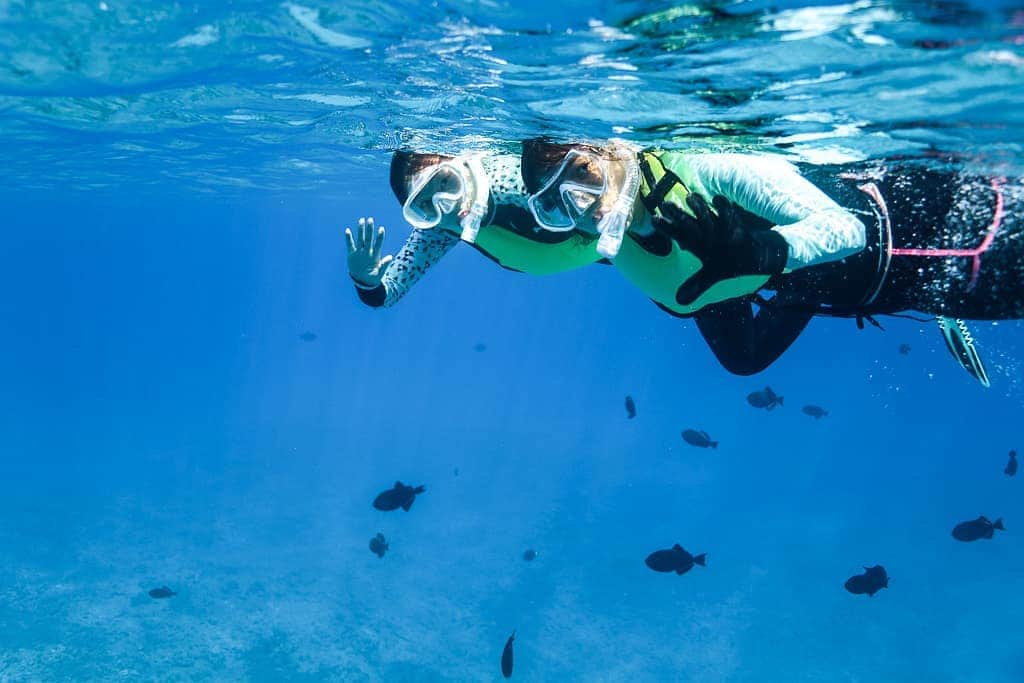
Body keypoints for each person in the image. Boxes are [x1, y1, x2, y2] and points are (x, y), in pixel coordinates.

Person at [519, 138, 868, 319]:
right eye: (556, 202)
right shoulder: (608, 243)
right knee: (742, 362)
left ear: (615, 150)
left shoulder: (701, 169)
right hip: (716, 287)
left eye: (583, 171)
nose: (582, 204)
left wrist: (759, 252)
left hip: (807, 267)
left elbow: (847, 229)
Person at [345, 150, 609, 309]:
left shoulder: (510, 181)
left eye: (447, 182)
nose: (446, 205)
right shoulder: (439, 229)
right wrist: (365, 282)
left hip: (619, 244)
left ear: (465, 168)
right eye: (426, 205)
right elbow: (388, 293)